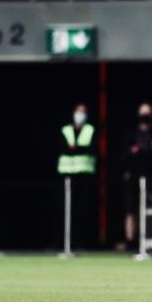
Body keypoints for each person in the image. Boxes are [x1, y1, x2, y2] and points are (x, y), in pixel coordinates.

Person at [120, 102, 152, 249]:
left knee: (149, 208)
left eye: (147, 113)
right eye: (142, 113)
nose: (145, 117)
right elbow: (125, 155)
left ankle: (148, 241)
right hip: (132, 176)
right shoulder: (131, 133)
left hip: (150, 177)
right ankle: (130, 241)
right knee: (130, 209)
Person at [57, 103, 98, 248]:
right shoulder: (65, 130)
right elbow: (61, 148)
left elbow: (92, 149)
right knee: (66, 211)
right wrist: (79, 149)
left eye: (83, 112)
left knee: (83, 211)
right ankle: (64, 243)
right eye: (78, 111)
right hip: (67, 177)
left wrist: (74, 149)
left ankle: (82, 244)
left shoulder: (90, 130)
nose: (80, 114)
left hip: (84, 176)